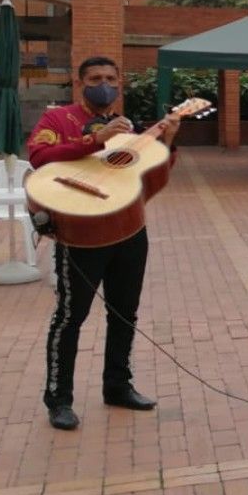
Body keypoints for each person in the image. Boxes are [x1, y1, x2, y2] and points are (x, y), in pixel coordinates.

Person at [28, 56, 183, 431]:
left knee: (124, 312)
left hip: (129, 229)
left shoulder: (131, 129)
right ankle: (58, 398)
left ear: (119, 83)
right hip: (81, 235)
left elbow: (152, 176)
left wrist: (168, 140)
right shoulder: (57, 120)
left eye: (111, 78)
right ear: (79, 83)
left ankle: (117, 385)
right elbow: (38, 156)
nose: (104, 84)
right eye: (96, 78)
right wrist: (93, 141)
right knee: (70, 317)